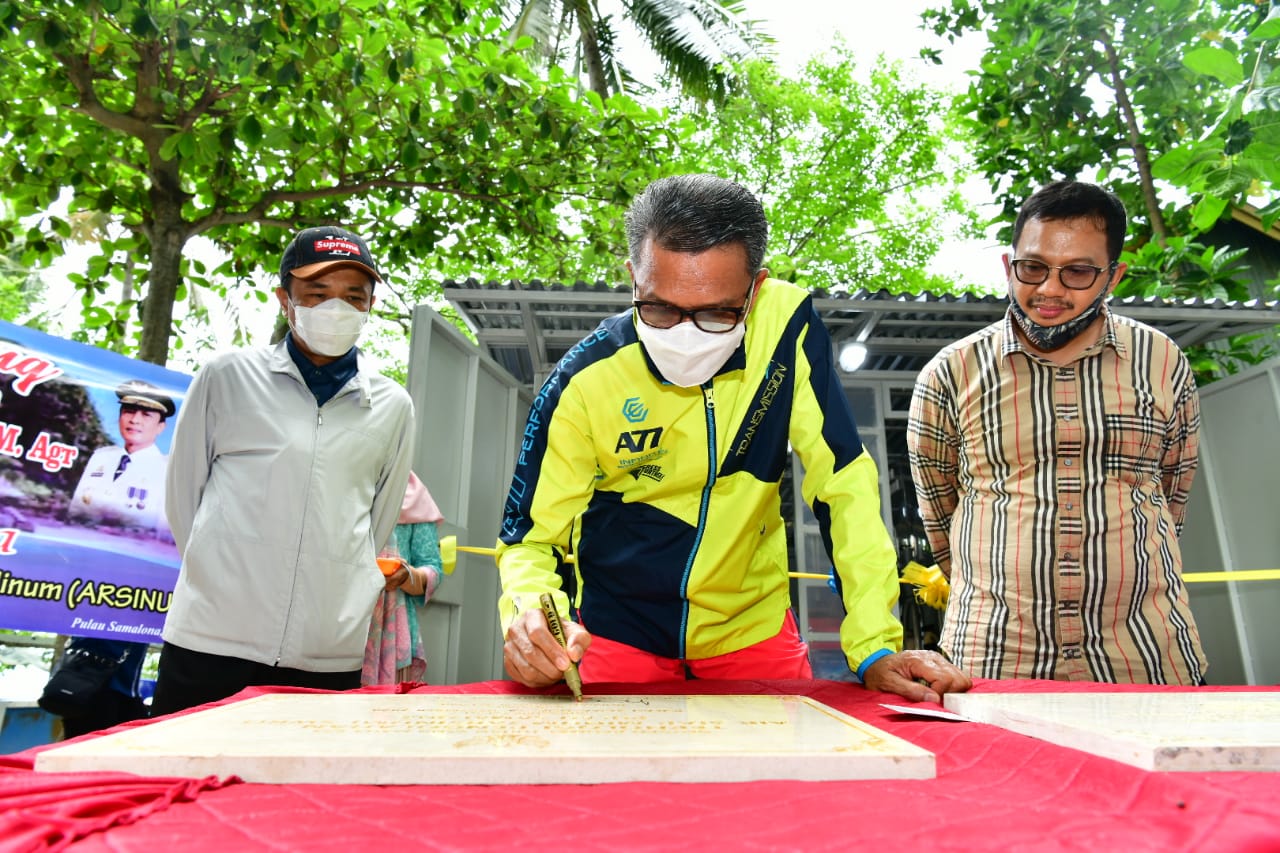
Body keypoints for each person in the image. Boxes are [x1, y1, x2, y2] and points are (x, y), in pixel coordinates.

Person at [496, 174, 971, 703]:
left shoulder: (788, 329)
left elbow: (843, 484)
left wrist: (875, 646)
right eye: (658, 307)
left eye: (718, 312)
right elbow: (530, 540)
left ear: (756, 290)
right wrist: (531, 615)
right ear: (633, 277)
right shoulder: (583, 380)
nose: (684, 334)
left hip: (752, 628)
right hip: (613, 633)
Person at [907, 179, 1208, 684]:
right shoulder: (950, 372)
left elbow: (1173, 493)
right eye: (1033, 268)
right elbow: (940, 514)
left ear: (1113, 276)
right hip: (994, 652)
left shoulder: (1161, 361)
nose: (1048, 289)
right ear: (1009, 265)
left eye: (1078, 273)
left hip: (1143, 649)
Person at [151, 225, 415, 716]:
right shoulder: (227, 378)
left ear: (370, 305)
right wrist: (225, 578)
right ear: (284, 299)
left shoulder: (392, 406)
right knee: (182, 779)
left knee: (294, 791)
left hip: (324, 653)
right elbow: (183, 499)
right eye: (317, 293)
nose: (336, 309)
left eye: (353, 296)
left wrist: (338, 591)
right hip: (211, 640)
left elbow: (375, 524)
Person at [363, 472, 444, 685]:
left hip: (392, 636)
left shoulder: (413, 492)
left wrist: (405, 576)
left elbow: (432, 569)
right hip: (336, 632)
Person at [68, 379, 175, 539]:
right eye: (129, 411)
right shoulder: (101, 457)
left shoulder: (169, 470)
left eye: (146, 415)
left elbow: (164, 534)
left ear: (160, 427)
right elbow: (76, 509)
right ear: (120, 418)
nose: (135, 420)